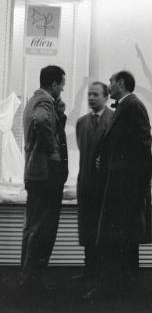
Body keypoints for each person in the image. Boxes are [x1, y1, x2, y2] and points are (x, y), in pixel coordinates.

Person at [91, 70, 152, 298]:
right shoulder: (126, 106)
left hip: (125, 183)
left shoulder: (133, 106)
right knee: (121, 235)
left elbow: (143, 143)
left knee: (121, 233)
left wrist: (132, 178)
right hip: (120, 180)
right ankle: (122, 284)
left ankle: (120, 286)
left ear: (122, 83)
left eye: (111, 82)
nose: (109, 86)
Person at [19, 65, 68, 294]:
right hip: (45, 174)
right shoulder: (44, 102)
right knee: (42, 228)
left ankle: (27, 278)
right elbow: (41, 121)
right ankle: (33, 281)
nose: (63, 89)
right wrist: (54, 153)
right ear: (55, 84)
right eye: (62, 85)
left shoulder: (34, 99)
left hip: (34, 174)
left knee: (32, 227)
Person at [75, 82, 113, 286]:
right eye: (89, 94)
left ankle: (102, 274)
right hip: (86, 184)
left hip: (105, 186)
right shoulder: (81, 123)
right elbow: (84, 152)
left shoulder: (113, 120)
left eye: (95, 94)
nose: (91, 98)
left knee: (103, 230)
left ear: (106, 97)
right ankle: (88, 270)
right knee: (87, 229)